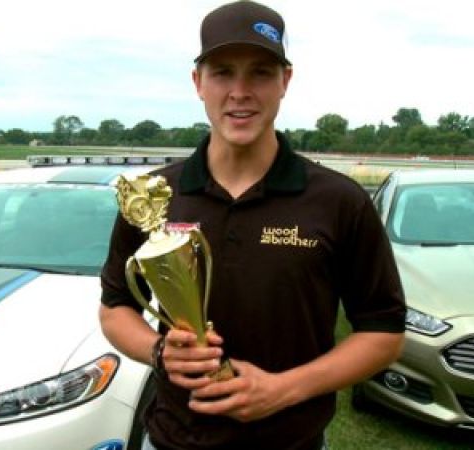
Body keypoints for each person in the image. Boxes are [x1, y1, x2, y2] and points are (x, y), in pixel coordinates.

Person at [99, 1, 406, 449]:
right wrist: (159, 352)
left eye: (260, 72)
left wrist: (284, 389)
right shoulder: (153, 196)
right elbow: (114, 308)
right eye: (222, 72)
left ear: (285, 81)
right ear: (197, 83)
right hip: (170, 439)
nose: (240, 91)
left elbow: (383, 333)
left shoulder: (339, 201)